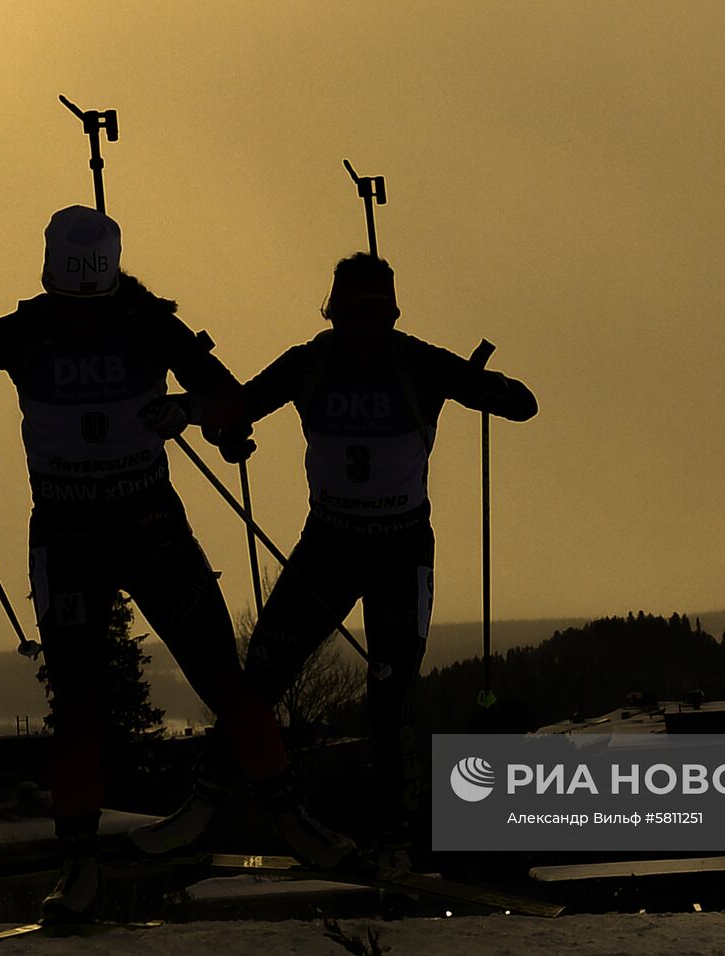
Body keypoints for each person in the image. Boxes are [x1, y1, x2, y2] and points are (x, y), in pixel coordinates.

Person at [0, 206, 352, 924]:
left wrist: (199, 416)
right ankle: (88, 863)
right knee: (91, 703)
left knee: (208, 683)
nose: (81, 318)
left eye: (89, 303)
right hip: (92, 532)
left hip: (125, 529)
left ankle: (281, 818)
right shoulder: (58, 326)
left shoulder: (111, 324)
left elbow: (226, 400)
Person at [238, 251, 537, 869]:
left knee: (378, 695)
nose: (362, 340)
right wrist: (494, 389)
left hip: (376, 551)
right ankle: (317, 822)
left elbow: (521, 404)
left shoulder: (341, 361)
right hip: (352, 548)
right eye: (355, 325)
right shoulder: (389, 360)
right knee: (276, 677)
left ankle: (390, 839)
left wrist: (496, 391)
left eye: (367, 325)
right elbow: (520, 404)